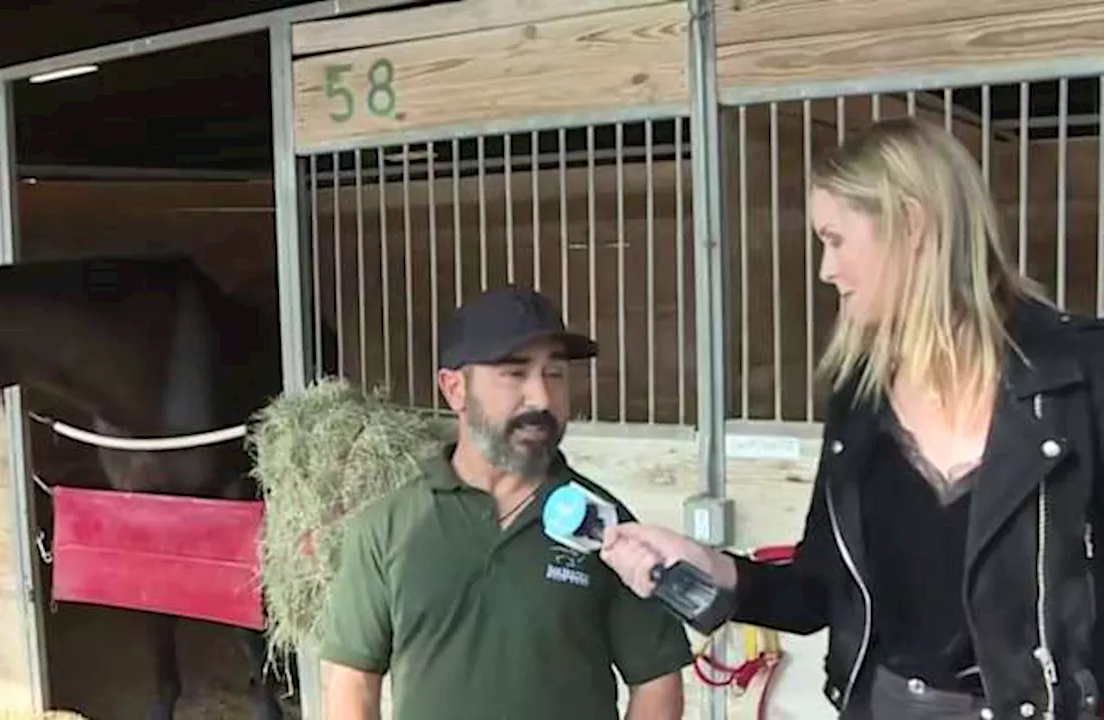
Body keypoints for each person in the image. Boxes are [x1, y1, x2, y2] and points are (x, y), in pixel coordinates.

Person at [598, 116, 1103, 720]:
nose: (825, 271)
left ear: (910, 225)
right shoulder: (859, 397)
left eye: (835, 239)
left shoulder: (1079, 375)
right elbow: (819, 593)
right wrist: (712, 568)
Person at [318, 285, 693, 720]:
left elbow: (658, 682)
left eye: (554, 374)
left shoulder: (603, 523)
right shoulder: (388, 527)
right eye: (515, 374)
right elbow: (352, 684)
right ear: (454, 388)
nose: (541, 398)